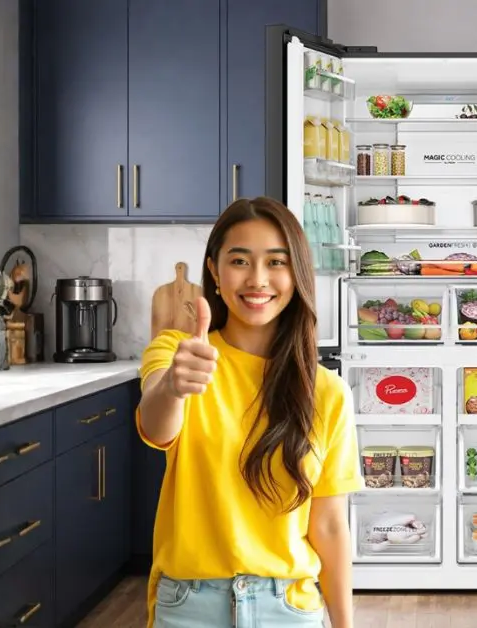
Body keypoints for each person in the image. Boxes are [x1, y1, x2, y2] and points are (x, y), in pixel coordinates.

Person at [136, 196, 362, 627]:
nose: (258, 279)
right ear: (214, 272)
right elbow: (155, 425)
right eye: (239, 260)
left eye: (276, 262)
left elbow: (330, 525)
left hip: (289, 608)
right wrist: (173, 387)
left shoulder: (327, 392)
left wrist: (345, 625)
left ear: (296, 275)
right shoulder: (176, 355)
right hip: (189, 605)